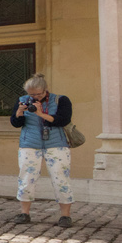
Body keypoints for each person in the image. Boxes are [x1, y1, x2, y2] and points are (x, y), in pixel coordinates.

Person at [10, 73, 73, 227]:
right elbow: (16, 123)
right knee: (26, 178)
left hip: (56, 144)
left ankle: (65, 216)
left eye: (39, 94)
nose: (36, 98)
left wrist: (40, 113)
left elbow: (63, 119)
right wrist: (18, 113)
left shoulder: (60, 100)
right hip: (30, 144)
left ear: (46, 90)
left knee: (61, 179)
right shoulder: (22, 101)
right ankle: (24, 213)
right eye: (32, 95)